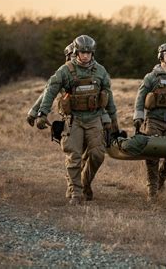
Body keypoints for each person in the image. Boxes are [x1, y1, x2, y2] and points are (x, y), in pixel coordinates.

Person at [36, 35, 118, 205]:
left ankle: (85, 182)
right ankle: (76, 192)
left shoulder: (101, 71)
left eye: (88, 52)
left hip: (94, 119)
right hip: (73, 120)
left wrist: (113, 119)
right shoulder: (65, 70)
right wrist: (42, 113)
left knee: (97, 155)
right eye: (82, 52)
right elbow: (50, 91)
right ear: (76, 51)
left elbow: (108, 96)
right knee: (74, 157)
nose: (85, 55)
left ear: (92, 53)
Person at [133, 42, 166, 201]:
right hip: (153, 120)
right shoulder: (151, 77)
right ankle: (152, 189)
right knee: (152, 156)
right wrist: (138, 116)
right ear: (161, 56)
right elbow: (140, 97)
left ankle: (161, 178)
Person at [26, 42, 75, 126]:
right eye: (72, 56)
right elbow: (49, 91)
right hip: (71, 118)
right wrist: (34, 112)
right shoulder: (64, 72)